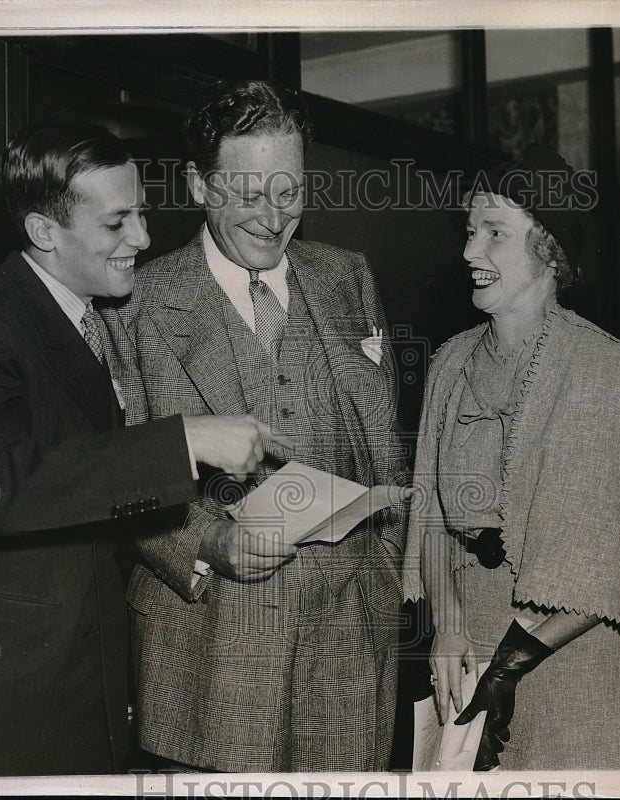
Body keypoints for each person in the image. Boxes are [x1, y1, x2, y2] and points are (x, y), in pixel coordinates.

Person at [0, 120, 280, 777]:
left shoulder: (82, 318)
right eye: (117, 222)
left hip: (74, 695)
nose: (143, 240)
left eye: (142, 215)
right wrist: (184, 439)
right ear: (44, 231)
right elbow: (6, 490)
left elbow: (91, 490)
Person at [101, 78, 409, 772]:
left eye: (290, 191)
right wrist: (211, 546)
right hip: (210, 658)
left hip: (350, 662)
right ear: (200, 185)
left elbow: (387, 450)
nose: (274, 218)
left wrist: (382, 586)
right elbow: (116, 475)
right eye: (248, 194)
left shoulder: (347, 278)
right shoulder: (135, 305)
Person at [402, 145, 620, 771]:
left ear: (548, 249)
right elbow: (433, 515)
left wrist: (513, 662)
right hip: (469, 648)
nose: (471, 252)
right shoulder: (451, 362)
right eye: (471, 233)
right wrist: (448, 626)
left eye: (496, 233)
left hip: (572, 658)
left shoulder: (610, 371)